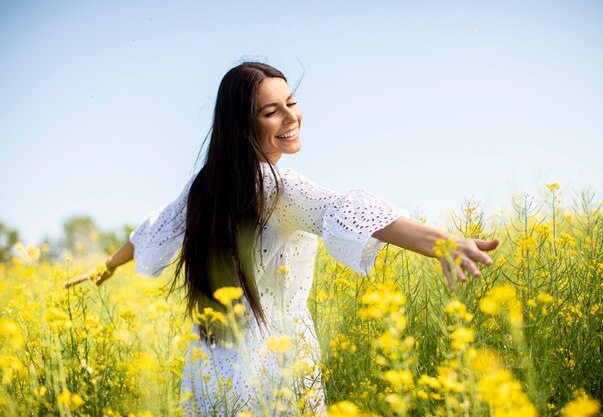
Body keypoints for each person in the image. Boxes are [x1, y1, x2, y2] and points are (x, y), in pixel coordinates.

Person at [63, 62, 499, 416]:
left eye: (291, 103)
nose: (291, 118)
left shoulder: (206, 186)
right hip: (276, 360)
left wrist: (105, 267)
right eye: (271, 111)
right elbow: (346, 210)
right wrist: (440, 241)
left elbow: (154, 230)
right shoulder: (275, 188)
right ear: (241, 124)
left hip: (212, 362)